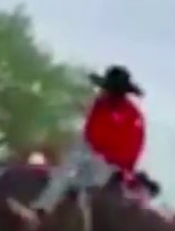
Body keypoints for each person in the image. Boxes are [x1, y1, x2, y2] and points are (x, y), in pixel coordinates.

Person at [31, 64, 146, 213]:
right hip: (89, 151)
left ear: (117, 92)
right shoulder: (99, 105)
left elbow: (132, 148)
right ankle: (42, 207)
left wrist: (111, 161)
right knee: (65, 168)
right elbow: (89, 131)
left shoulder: (132, 116)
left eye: (107, 88)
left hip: (111, 162)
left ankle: (72, 201)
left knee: (85, 179)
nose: (102, 91)